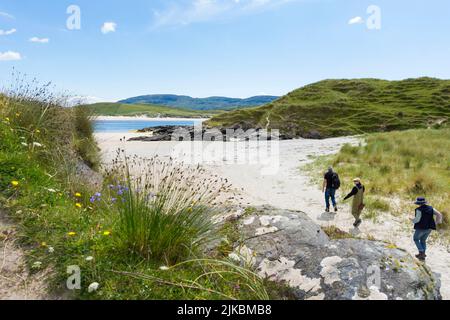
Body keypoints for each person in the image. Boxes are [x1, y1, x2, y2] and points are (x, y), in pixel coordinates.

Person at [411, 197, 443, 261]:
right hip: (429, 228)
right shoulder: (431, 208)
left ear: (418, 203)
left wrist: (411, 219)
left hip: (421, 227)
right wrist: (436, 223)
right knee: (423, 240)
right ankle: (422, 255)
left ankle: (421, 252)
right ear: (424, 202)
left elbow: (417, 220)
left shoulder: (418, 210)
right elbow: (439, 214)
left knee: (416, 239)